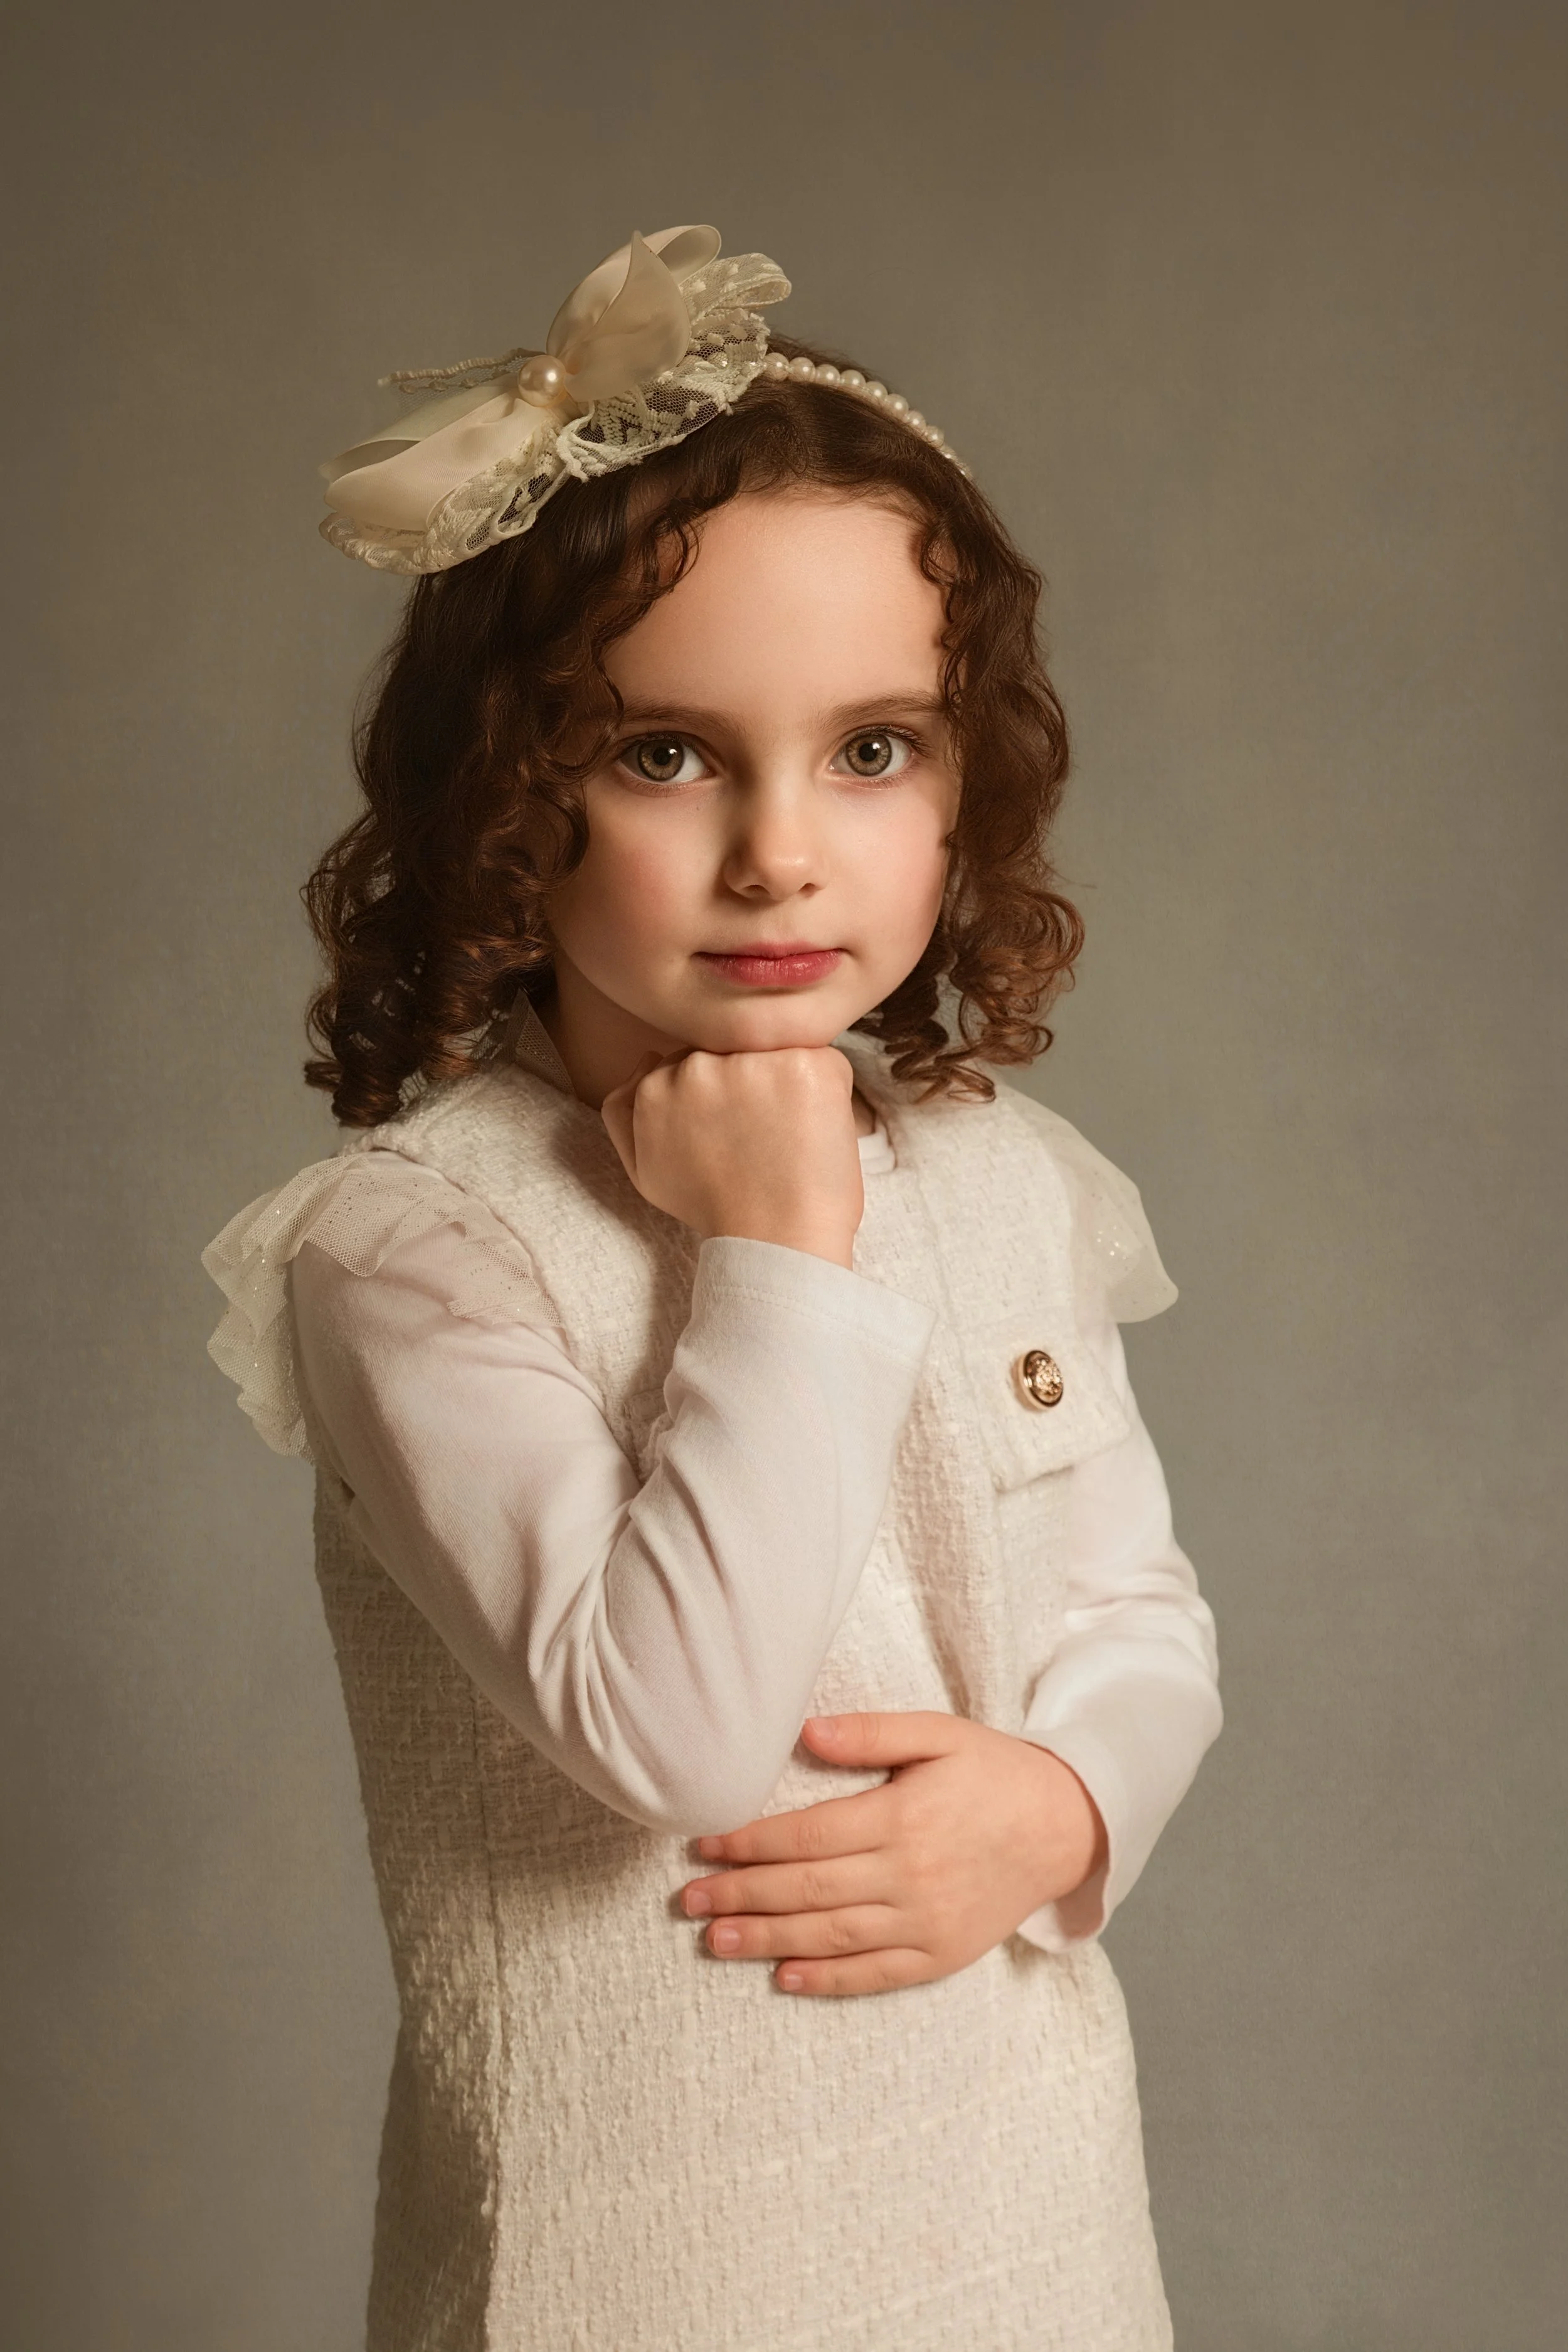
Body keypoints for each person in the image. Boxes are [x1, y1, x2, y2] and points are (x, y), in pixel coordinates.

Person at [203, 222, 1222, 2351]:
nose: (781, 848)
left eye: (872, 750)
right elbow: (665, 1727)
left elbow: (1136, 1609)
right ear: (510, 788)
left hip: (1019, 2204)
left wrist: (1065, 1799)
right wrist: (774, 1252)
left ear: (969, 781)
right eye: (667, 754)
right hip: (636, 2248)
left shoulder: (1004, 1178)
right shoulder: (424, 1248)